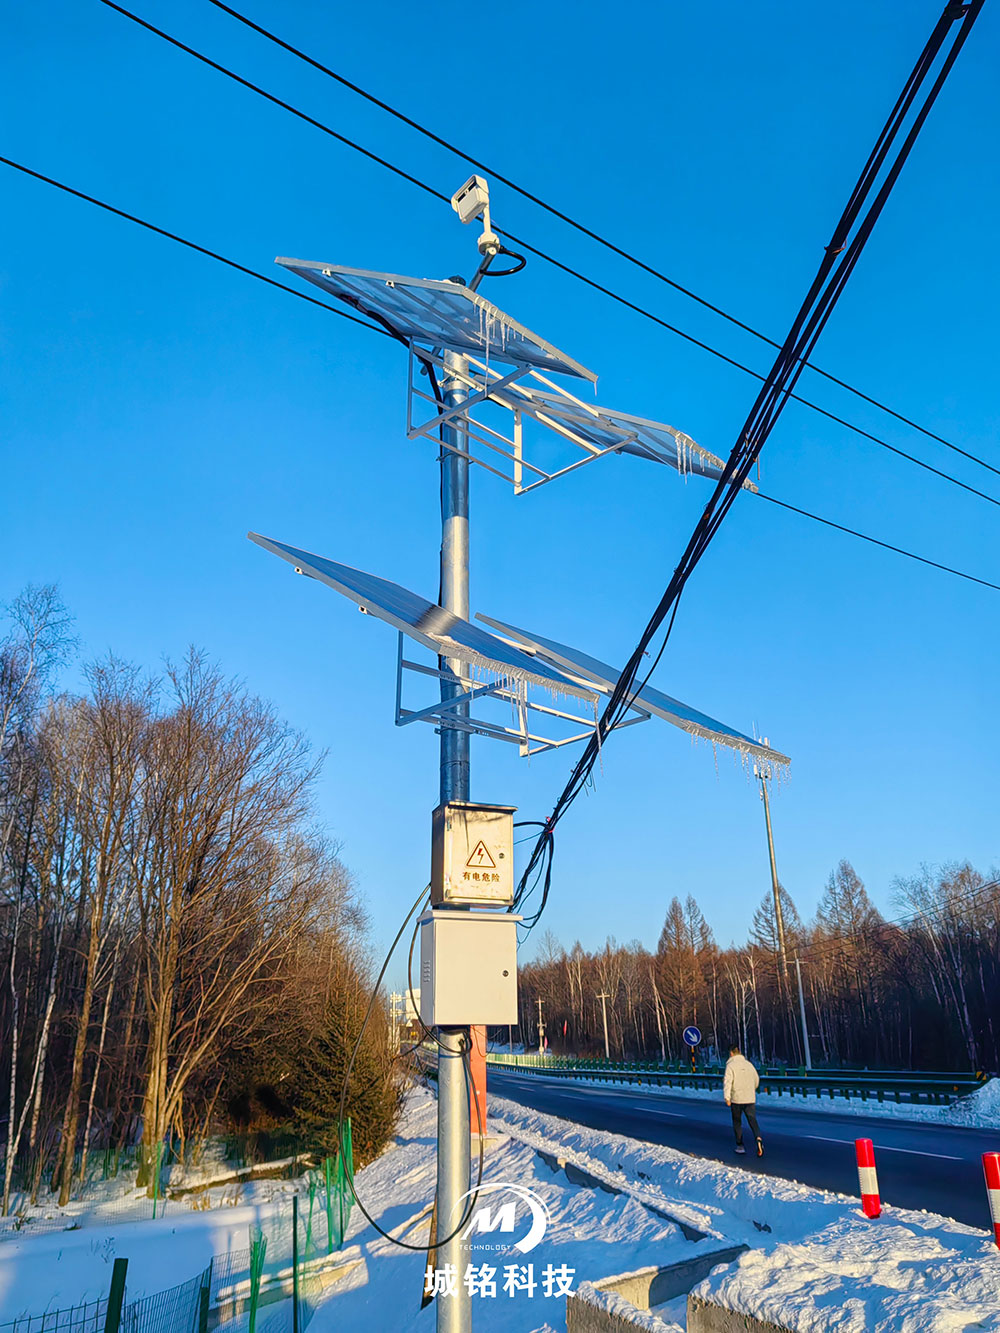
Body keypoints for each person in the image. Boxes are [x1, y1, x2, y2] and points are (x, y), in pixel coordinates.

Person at [724, 1042, 763, 1156]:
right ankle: (758, 1138)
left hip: (737, 1099)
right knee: (752, 1120)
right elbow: (756, 1080)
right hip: (750, 1098)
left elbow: (728, 1082)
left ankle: (740, 1146)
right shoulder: (749, 1064)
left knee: (737, 1122)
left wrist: (727, 1097)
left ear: (731, 1054)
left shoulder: (730, 1066)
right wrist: (751, 1089)